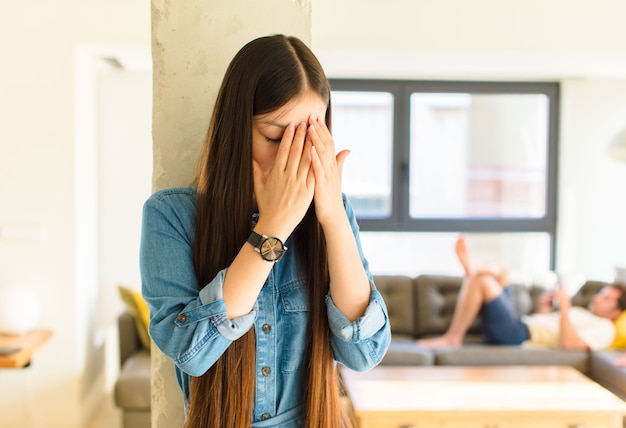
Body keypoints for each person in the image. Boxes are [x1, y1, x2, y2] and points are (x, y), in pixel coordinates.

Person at [140, 34, 391, 428]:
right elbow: (191, 351)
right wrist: (273, 227)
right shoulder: (171, 215)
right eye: (276, 137)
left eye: (308, 138)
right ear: (236, 131)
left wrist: (333, 219)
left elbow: (365, 352)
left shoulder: (332, 213)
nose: (293, 157)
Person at [417, 235, 626, 351]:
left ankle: (453, 338)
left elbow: (569, 344)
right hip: (521, 324)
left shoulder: (605, 328)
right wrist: (544, 310)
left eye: (606, 298)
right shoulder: (586, 314)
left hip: (516, 336)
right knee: (502, 268)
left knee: (484, 283)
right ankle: (473, 268)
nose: (597, 297)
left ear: (616, 311)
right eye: (601, 293)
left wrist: (564, 308)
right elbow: (548, 331)